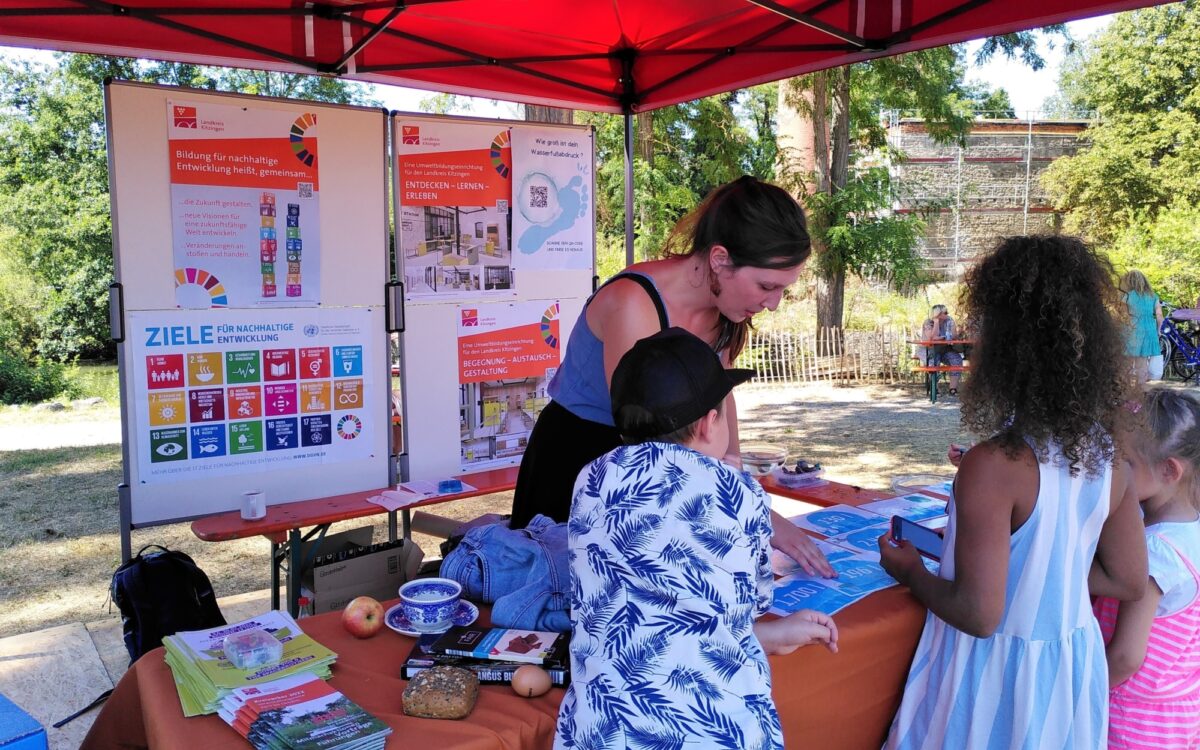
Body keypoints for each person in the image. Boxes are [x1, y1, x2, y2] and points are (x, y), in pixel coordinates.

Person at [878, 235, 1148, 749]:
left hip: (995, 679)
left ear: (1004, 346)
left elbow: (980, 615)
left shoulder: (994, 464)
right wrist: (1042, 569)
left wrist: (911, 571)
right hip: (1066, 674)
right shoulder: (1107, 456)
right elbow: (1128, 578)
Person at [510, 175, 834, 577]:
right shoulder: (633, 303)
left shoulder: (724, 310)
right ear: (720, 259)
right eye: (766, 285)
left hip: (663, 469)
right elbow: (649, 443)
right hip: (583, 463)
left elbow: (720, 395)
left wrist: (739, 482)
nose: (773, 304)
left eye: (783, 289)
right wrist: (756, 514)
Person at [554, 328, 839, 750]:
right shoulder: (738, 493)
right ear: (709, 423)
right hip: (717, 732)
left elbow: (654, 615)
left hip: (599, 733)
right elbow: (750, 604)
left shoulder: (591, 480)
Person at [1093, 387, 1200, 749]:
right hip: (1177, 713)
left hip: (1131, 719)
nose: (1109, 471)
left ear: (1169, 470)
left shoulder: (1156, 552)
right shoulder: (1189, 531)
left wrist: (1077, 693)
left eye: (1124, 463)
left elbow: (1126, 656)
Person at [1119, 269, 1164, 383]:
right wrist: (1159, 330)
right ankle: (1141, 390)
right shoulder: (1153, 296)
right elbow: (1159, 315)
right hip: (1149, 331)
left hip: (1131, 330)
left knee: (1127, 364)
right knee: (1142, 363)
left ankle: (1126, 389)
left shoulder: (1127, 296)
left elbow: (1123, 316)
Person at [917, 303, 962, 395]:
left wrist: (950, 333)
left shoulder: (949, 320)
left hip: (944, 349)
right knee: (933, 362)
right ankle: (934, 389)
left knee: (956, 359)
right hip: (929, 350)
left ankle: (953, 389)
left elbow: (954, 336)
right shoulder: (928, 323)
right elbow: (932, 338)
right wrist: (936, 322)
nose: (947, 314)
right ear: (938, 314)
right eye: (945, 312)